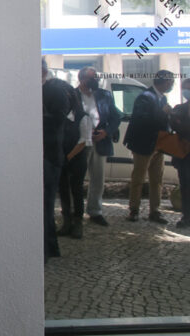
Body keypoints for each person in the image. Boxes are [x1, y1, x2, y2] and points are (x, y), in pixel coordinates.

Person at [123, 70, 175, 224]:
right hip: (143, 144)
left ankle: (155, 211)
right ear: (164, 82)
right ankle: (134, 210)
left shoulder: (163, 98)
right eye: (171, 82)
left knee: (157, 179)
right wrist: (162, 113)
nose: (172, 85)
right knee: (138, 178)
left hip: (159, 145)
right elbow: (143, 120)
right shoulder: (145, 97)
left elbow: (162, 121)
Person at [78, 67, 122, 227]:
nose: (95, 80)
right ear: (82, 79)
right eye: (92, 78)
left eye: (97, 77)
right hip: (80, 143)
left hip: (100, 141)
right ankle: (74, 212)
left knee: (98, 179)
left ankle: (95, 211)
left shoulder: (104, 95)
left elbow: (116, 117)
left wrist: (106, 132)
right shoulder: (73, 95)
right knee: (76, 179)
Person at [41, 59, 72, 261]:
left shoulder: (55, 90)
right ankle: (49, 248)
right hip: (45, 155)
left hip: (50, 156)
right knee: (43, 206)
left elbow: (59, 119)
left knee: (45, 206)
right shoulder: (44, 89)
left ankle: (45, 250)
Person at [58, 89, 88, 239]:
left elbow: (84, 141)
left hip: (77, 159)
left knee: (77, 190)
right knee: (63, 190)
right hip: (62, 159)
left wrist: (68, 156)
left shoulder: (83, 117)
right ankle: (66, 221)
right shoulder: (60, 116)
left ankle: (78, 222)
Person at [169, 78, 190, 229]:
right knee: (186, 186)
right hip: (183, 155)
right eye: (186, 89)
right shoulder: (179, 109)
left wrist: (182, 124)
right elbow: (174, 125)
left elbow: (181, 126)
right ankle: (187, 216)